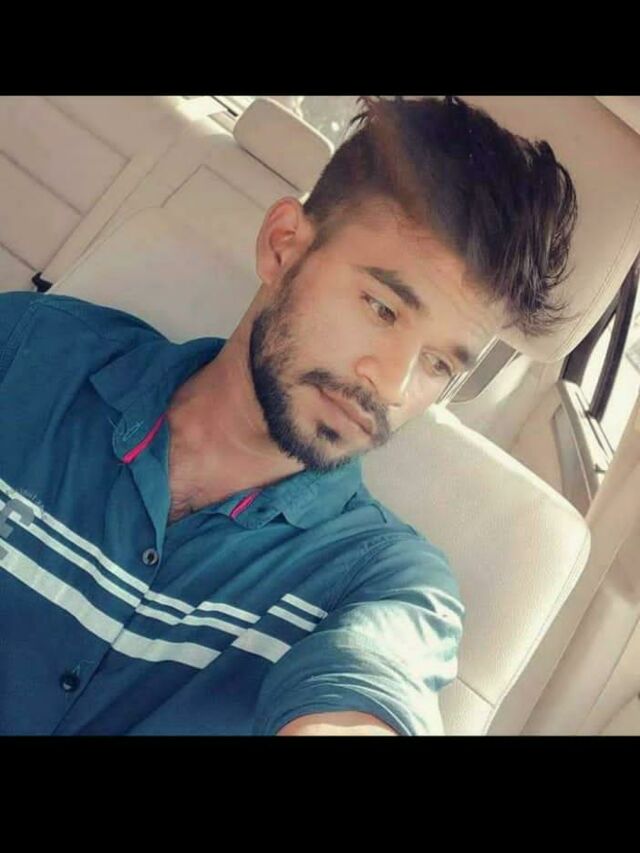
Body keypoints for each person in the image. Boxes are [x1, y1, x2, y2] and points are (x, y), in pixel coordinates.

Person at [0, 96, 577, 736]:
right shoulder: (27, 352)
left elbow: (375, 684)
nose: (391, 386)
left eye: (437, 364)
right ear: (282, 248)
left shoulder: (390, 583)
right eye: (382, 308)